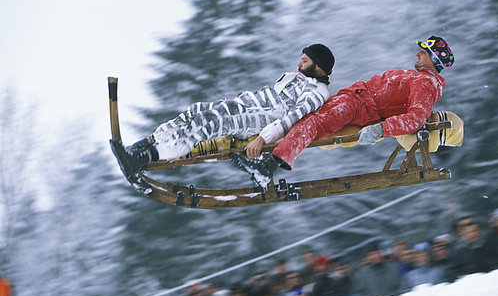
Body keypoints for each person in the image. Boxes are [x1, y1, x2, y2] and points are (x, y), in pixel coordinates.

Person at [231, 36, 454, 180]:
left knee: (312, 122)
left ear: (433, 60)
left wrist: (381, 129)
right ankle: (258, 147)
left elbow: (416, 117)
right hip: (354, 99)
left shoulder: (427, 83)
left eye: (423, 52)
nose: (417, 53)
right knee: (303, 114)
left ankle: (269, 165)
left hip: (359, 105)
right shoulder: (420, 78)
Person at [119, 44, 335, 187]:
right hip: (245, 103)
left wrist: (262, 139)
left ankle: (145, 158)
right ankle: (145, 143)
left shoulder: (318, 93)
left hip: (262, 118)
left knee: (211, 126)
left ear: (319, 66)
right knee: (196, 112)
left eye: (305, 60)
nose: (299, 63)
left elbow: (291, 120)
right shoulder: (292, 76)